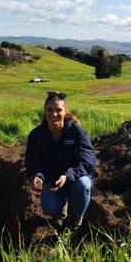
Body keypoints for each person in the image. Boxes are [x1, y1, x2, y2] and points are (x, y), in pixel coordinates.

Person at [24, 91, 96, 231]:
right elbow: (32, 163)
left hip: (75, 178)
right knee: (50, 205)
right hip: (51, 181)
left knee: (83, 184)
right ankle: (59, 214)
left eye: (58, 110)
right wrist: (37, 176)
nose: (54, 114)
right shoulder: (36, 135)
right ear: (45, 111)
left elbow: (88, 162)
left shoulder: (77, 132)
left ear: (65, 111)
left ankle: (76, 219)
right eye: (49, 110)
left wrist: (68, 175)